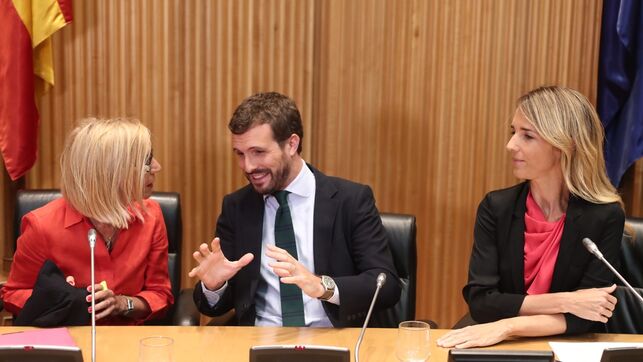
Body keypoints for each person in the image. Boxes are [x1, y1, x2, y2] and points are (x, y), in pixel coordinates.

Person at [189, 92, 401, 327]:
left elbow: (387, 285)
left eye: (258, 152)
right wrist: (214, 286)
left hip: (332, 339)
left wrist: (322, 287)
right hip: (259, 341)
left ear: (292, 144)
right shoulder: (237, 207)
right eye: (240, 154)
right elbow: (216, 305)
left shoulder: (350, 201)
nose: (248, 167)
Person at [437, 86, 625, 348]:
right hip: (496, 343)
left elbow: (591, 316)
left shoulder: (605, 215)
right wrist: (567, 301)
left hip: (568, 346)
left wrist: (508, 325)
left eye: (527, 136)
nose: (510, 144)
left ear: (565, 144)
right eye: (513, 132)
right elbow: (481, 302)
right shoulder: (496, 207)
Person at [2, 118, 174, 325]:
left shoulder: (151, 215)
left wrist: (122, 303)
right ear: (110, 170)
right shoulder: (41, 225)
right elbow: (13, 293)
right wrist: (55, 298)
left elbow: (160, 295)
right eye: (146, 161)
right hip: (68, 338)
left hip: (127, 340)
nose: (157, 167)